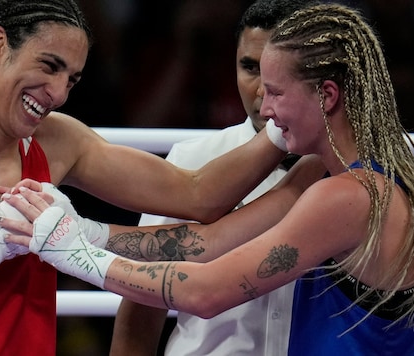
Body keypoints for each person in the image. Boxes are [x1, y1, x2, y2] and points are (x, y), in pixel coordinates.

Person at [0, 0, 292, 355]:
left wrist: (287, 116)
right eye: (49, 66)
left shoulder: (57, 142)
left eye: (72, 80)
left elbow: (198, 194)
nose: (57, 94)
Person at [1, 3, 414, 354]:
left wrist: (71, 252)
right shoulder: (334, 175)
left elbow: (204, 292)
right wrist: (84, 231)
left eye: (277, 91)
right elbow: (209, 242)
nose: (267, 109)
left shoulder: (348, 197)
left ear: (327, 95)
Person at [110, 1, 309, 355]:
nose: (264, 90)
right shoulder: (193, 160)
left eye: (281, 71)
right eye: (250, 68)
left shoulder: (360, 168)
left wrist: (80, 240)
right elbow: (142, 305)